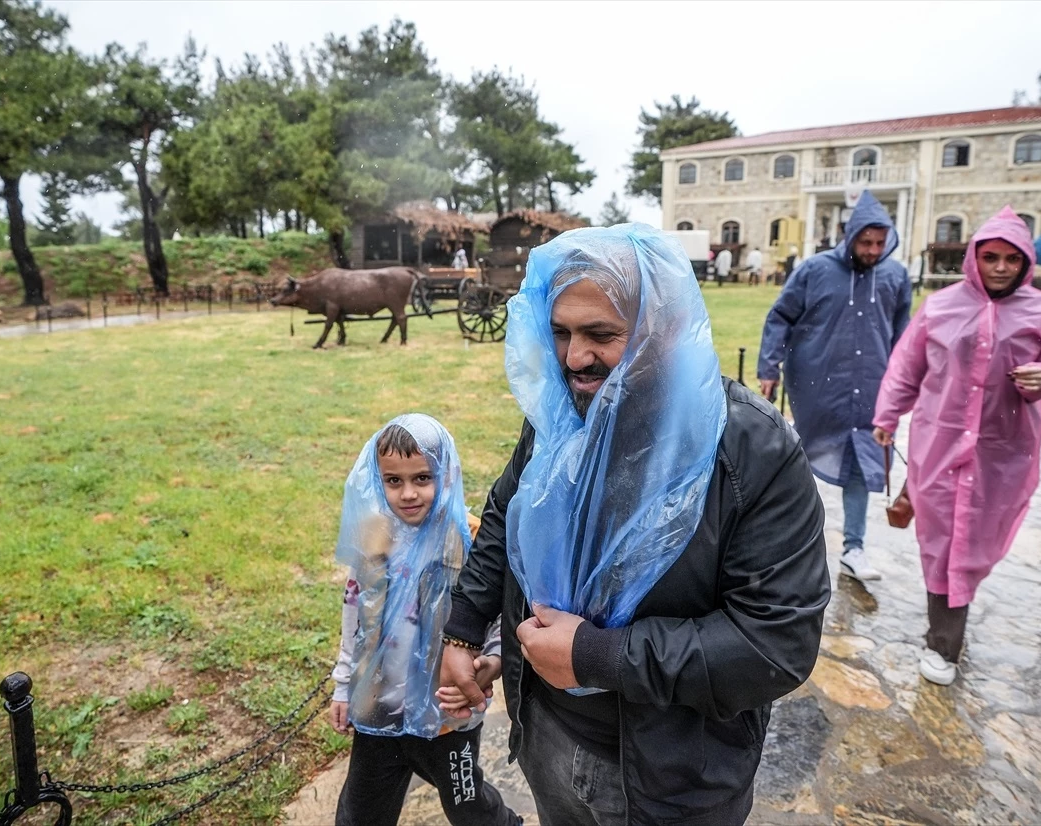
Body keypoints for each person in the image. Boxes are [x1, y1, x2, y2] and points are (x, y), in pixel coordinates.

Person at [437, 224, 830, 826]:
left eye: (601, 334)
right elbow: (507, 515)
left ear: (663, 330)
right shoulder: (562, 415)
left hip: (674, 780)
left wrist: (598, 655)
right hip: (548, 738)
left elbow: (775, 643)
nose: (574, 358)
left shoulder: (751, 451)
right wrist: (463, 630)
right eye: (561, 332)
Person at [872, 207, 1041, 686]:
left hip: (1003, 451)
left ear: (1025, 263)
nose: (1000, 267)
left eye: (1010, 258)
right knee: (941, 544)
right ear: (974, 258)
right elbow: (907, 366)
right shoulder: (941, 307)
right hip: (939, 444)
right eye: (990, 257)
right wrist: (886, 416)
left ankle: (954, 612)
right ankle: (943, 642)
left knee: (979, 541)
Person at [329, 414, 520, 826]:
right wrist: (344, 686)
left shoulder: (471, 541)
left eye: (422, 477)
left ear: (446, 474)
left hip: (447, 716)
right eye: (393, 481)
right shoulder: (374, 538)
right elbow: (355, 620)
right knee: (361, 812)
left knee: (470, 808)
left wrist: (492, 663)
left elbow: (500, 614)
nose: (408, 493)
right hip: (380, 708)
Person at [757, 191, 912, 583]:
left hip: (872, 390)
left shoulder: (896, 276)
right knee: (799, 460)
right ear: (850, 235)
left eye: (880, 242)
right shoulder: (814, 270)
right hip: (816, 387)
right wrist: (769, 367)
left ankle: (853, 547)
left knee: (862, 465)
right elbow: (780, 316)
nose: (873, 250)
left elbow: (903, 336)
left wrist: (904, 386)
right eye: (866, 242)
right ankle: (785, 543)